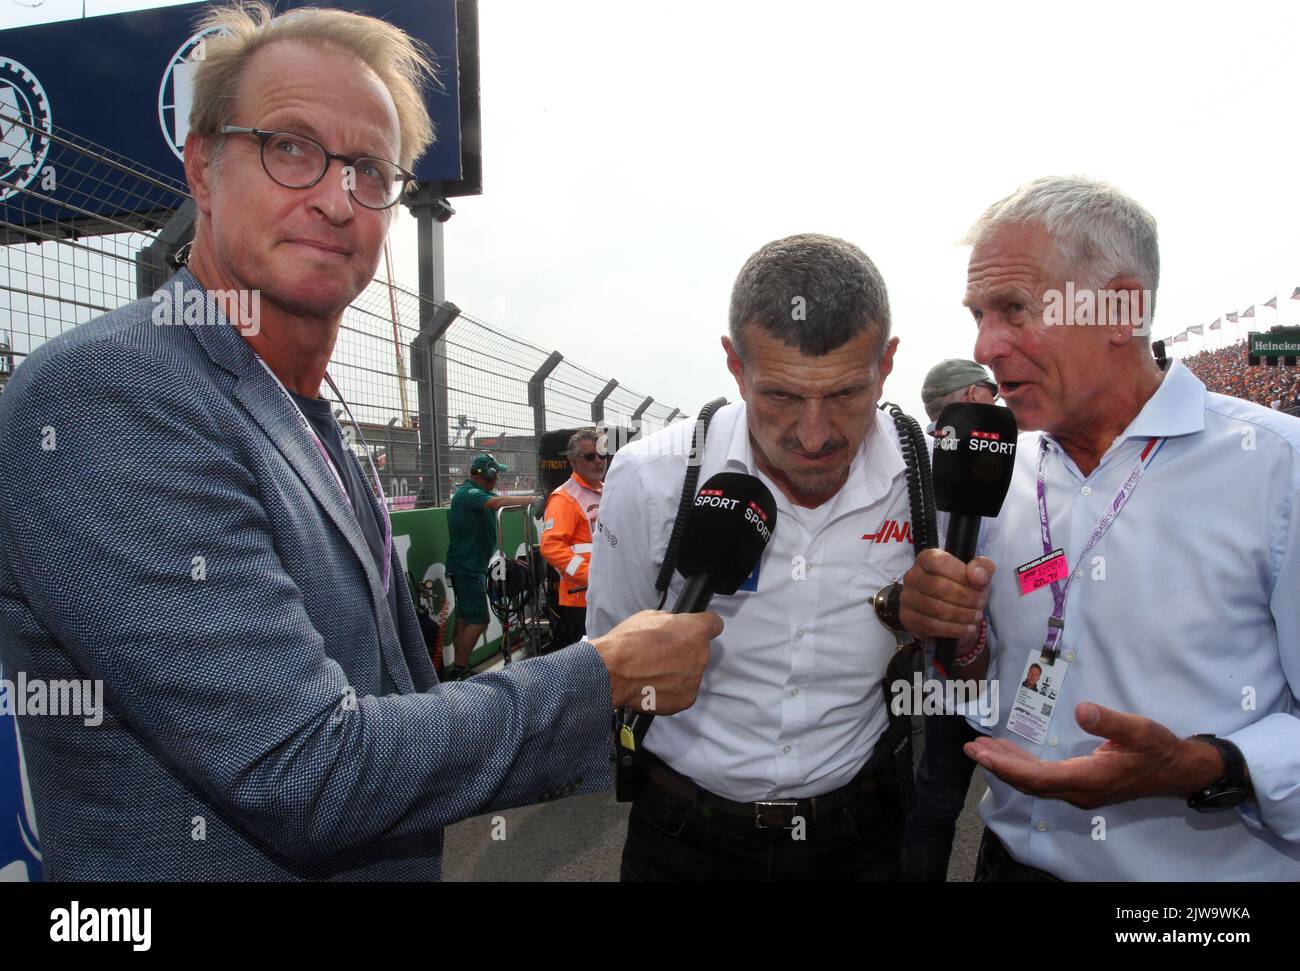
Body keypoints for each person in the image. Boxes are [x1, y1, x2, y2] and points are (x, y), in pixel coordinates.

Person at [0, 2, 719, 881]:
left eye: (371, 170)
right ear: (201, 169)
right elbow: (305, 766)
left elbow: (390, 713)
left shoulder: (305, 410)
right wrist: (599, 675)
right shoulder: (111, 394)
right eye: (290, 146)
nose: (336, 198)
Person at [901, 176, 1300, 881]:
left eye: (1014, 309)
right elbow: (977, 685)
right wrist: (960, 647)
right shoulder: (1002, 470)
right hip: (1007, 863)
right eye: (977, 313)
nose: (986, 344)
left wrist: (1208, 765)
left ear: (1121, 306)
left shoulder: (1276, 470)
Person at [588, 233, 919, 881]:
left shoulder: (924, 481)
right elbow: (606, 665)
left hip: (860, 840)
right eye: (782, 396)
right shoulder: (648, 478)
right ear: (735, 366)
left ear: (887, 365)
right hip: (684, 838)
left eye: (848, 394)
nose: (816, 434)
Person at [901, 356, 1000, 882]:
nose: (998, 400)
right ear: (968, 399)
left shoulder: (1026, 455)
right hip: (954, 666)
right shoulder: (920, 469)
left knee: (947, 800)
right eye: (990, 392)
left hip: (1022, 663)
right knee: (938, 799)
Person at [446, 453, 539, 680]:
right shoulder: (469, 494)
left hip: (470, 565)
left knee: (465, 617)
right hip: (467, 567)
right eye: (497, 472)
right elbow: (496, 503)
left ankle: (460, 664)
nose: (498, 477)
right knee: (478, 620)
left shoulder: (478, 494)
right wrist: (533, 499)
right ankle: (458, 671)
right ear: (488, 474)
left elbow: (498, 501)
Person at [539, 428, 606, 649]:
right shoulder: (564, 498)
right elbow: (551, 547)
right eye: (590, 456)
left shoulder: (608, 491)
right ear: (573, 461)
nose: (598, 461)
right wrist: (589, 575)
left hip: (607, 593)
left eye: (601, 455)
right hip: (580, 600)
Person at [920, 358, 998, 433]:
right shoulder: (993, 443)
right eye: (992, 394)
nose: (994, 403)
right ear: (973, 395)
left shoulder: (915, 444)